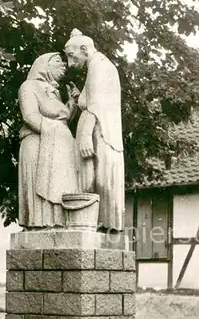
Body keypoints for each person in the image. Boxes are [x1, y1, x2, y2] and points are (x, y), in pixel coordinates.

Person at [64, 29, 125, 232]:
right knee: (98, 179)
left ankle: (101, 224)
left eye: (72, 56)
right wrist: (80, 96)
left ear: (84, 49)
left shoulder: (98, 66)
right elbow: (93, 100)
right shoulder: (101, 66)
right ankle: (103, 224)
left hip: (99, 134)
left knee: (97, 179)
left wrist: (84, 137)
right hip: (101, 131)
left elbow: (96, 106)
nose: (71, 64)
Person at [18, 52, 80, 229]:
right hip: (37, 144)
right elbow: (30, 116)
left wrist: (72, 103)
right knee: (40, 197)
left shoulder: (55, 93)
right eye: (58, 62)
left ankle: (58, 223)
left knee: (58, 188)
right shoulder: (29, 87)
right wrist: (57, 130)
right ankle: (40, 225)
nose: (64, 65)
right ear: (44, 65)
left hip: (57, 146)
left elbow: (62, 119)